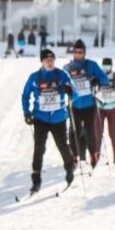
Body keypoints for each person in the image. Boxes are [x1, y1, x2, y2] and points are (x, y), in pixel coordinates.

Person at [21, 48, 75, 194]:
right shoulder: (34, 77)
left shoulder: (62, 74)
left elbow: (74, 91)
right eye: (46, 60)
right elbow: (25, 95)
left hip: (59, 118)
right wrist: (27, 113)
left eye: (52, 60)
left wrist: (70, 90)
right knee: (39, 148)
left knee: (62, 146)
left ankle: (70, 169)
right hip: (41, 119)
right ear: (42, 62)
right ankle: (36, 179)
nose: (50, 63)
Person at [63, 40, 109, 169]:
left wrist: (97, 81)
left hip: (89, 104)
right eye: (76, 52)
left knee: (91, 131)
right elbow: (61, 82)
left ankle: (93, 154)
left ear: (84, 52)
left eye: (81, 52)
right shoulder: (68, 67)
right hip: (75, 105)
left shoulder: (91, 65)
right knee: (74, 131)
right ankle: (74, 156)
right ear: (73, 52)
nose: (78, 54)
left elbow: (104, 78)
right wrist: (65, 88)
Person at [94, 57, 115, 164]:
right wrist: (96, 100)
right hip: (100, 109)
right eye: (104, 65)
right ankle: (96, 156)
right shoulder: (97, 77)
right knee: (98, 133)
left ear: (111, 66)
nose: (106, 68)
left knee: (112, 133)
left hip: (112, 109)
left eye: (108, 65)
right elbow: (92, 91)